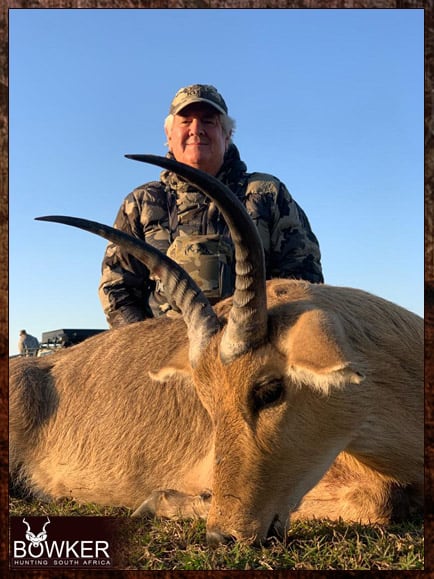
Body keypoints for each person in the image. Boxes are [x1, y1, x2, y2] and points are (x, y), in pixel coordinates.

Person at [99, 84, 324, 328]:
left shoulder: (267, 193)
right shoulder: (141, 202)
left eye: (209, 122)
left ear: (227, 135)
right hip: (166, 351)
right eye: (186, 121)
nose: (197, 130)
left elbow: (304, 280)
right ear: (169, 135)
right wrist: (146, 346)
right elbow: (116, 288)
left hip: (254, 344)